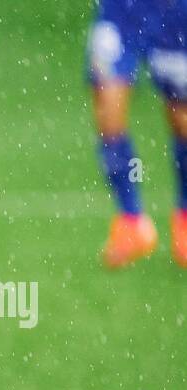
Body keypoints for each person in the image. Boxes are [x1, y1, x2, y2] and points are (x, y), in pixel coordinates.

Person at [88, 0, 187, 267]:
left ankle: (184, 219)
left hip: (177, 12)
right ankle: (131, 221)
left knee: (181, 119)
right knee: (107, 108)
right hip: (122, 12)